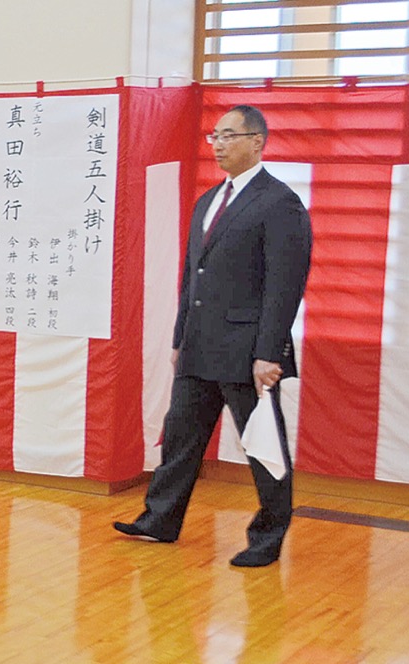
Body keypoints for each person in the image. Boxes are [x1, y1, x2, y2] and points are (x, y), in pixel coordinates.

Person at [113, 104, 312, 568]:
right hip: (200, 348)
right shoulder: (208, 201)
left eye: (229, 136)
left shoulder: (279, 202)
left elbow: (285, 286)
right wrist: (180, 339)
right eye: (214, 137)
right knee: (181, 439)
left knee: (262, 447)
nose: (219, 145)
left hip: (248, 353)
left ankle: (266, 538)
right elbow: (192, 280)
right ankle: (159, 520)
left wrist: (269, 353)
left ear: (257, 141)